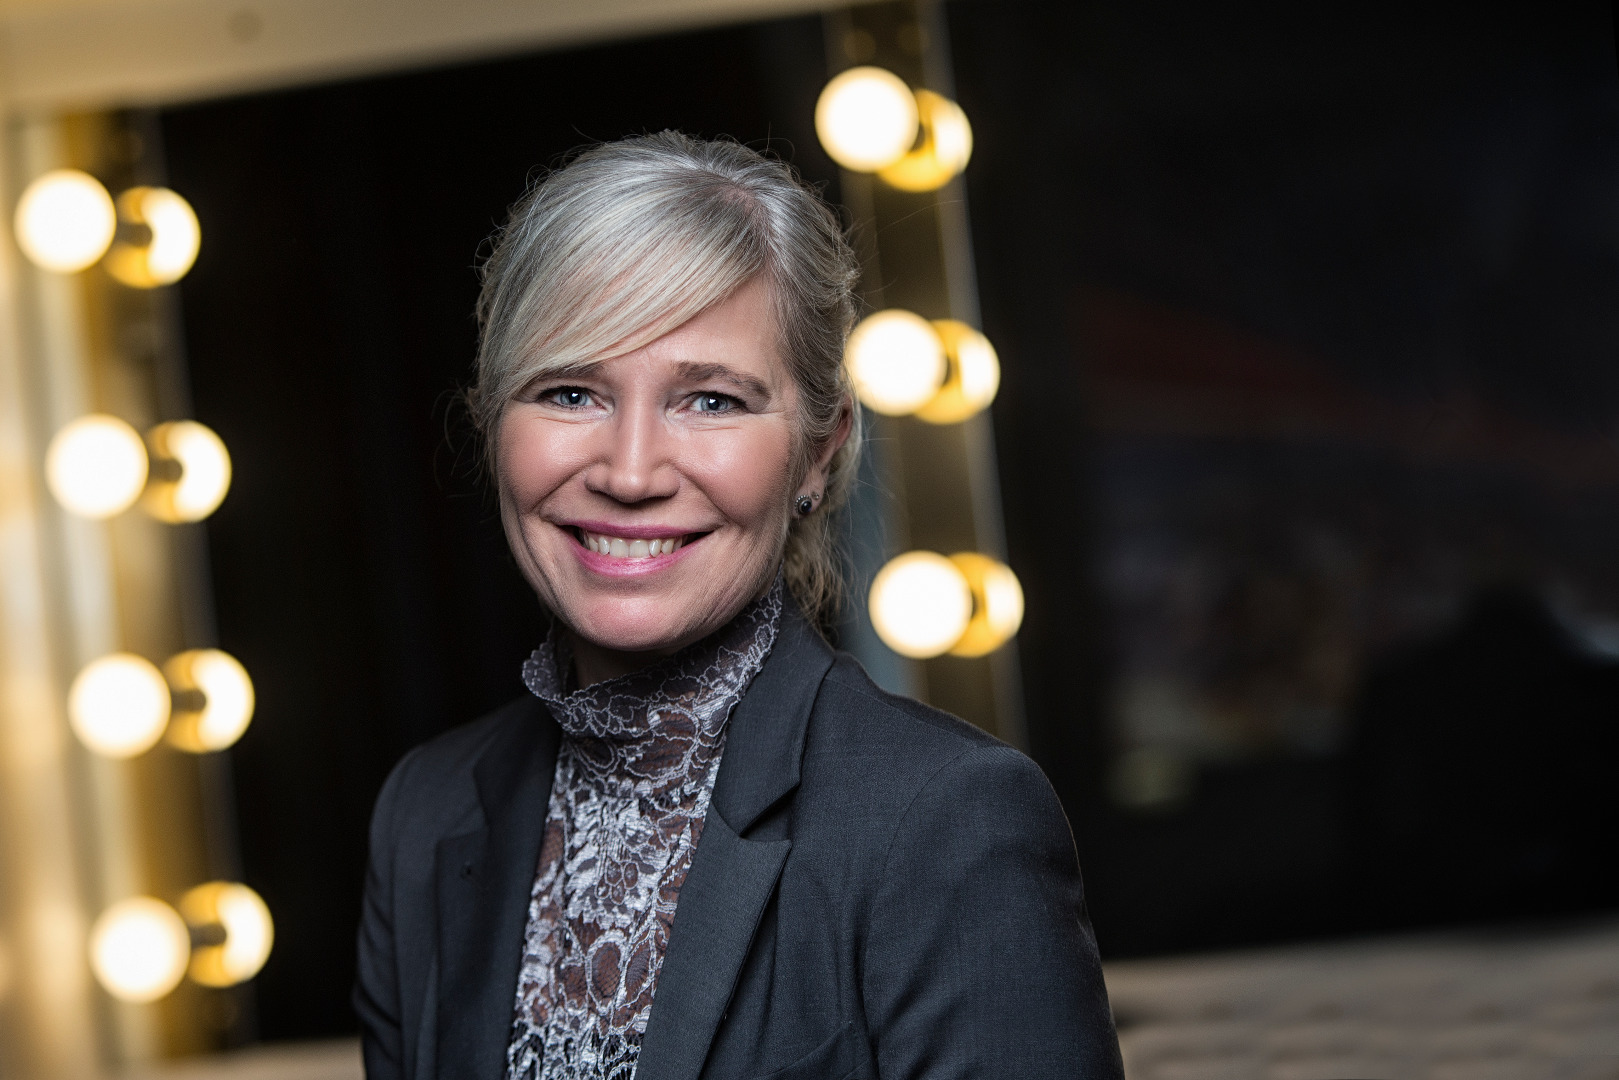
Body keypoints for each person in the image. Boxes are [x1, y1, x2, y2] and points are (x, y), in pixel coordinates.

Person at [353, 132, 1123, 1080]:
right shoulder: (424, 814)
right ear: (489, 420)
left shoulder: (947, 820)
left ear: (817, 453)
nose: (630, 471)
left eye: (711, 401)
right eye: (570, 391)